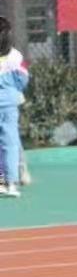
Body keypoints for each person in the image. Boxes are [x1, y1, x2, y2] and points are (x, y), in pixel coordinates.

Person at [0, 18, 26, 199]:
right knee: (10, 142)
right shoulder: (15, 56)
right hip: (9, 103)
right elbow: (23, 79)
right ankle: (12, 183)